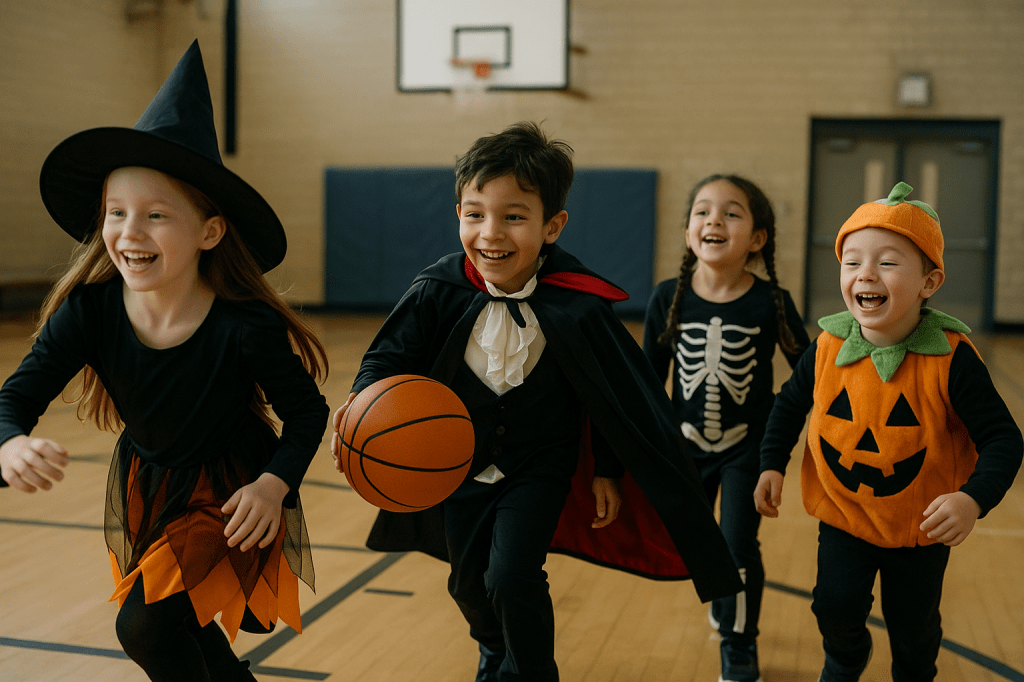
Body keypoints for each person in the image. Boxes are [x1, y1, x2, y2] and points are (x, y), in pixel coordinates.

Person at [330, 121, 742, 681]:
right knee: (468, 582)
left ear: (553, 225)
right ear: (458, 215)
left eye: (513, 216)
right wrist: (362, 404)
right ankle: (495, 648)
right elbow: (385, 358)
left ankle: (531, 672)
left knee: (512, 575)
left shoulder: (579, 305)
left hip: (540, 464)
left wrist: (607, 471)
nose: (490, 233)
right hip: (457, 465)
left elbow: (614, 401)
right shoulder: (437, 290)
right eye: (474, 214)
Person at [0, 41, 329, 682]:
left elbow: (308, 414)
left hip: (234, 494)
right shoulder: (89, 313)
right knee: (189, 634)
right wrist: (9, 444)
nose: (129, 233)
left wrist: (273, 485)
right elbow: (14, 397)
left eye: (156, 216)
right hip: (148, 487)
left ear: (209, 232)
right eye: (116, 214)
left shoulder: (244, 325)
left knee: (146, 625)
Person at [753, 182, 1022, 682]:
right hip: (843, 512)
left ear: (929, 281)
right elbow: (789, 406)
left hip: (919, 529)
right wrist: (771, 462)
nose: (865, 274)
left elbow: (1005, 440)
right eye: (851, 261)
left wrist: (972, 499)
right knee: (833, 607)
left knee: (914, 630)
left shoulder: (952, 359)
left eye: (887, 263)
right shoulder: (829, 345)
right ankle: (847, 657)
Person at [643, 174, 809, 682]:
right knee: (698, 546)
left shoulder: (771, 302)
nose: (714, 219)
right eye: (702, 211)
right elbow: (649, 384)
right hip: (684, 448)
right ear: (690, 229)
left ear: (757, 239)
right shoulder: (667, 298)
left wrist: (777, 452)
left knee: (738, 547)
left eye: (731, 212)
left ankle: (739, 647)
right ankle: (722, 597)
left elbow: (808, 377)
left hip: (746, 450)